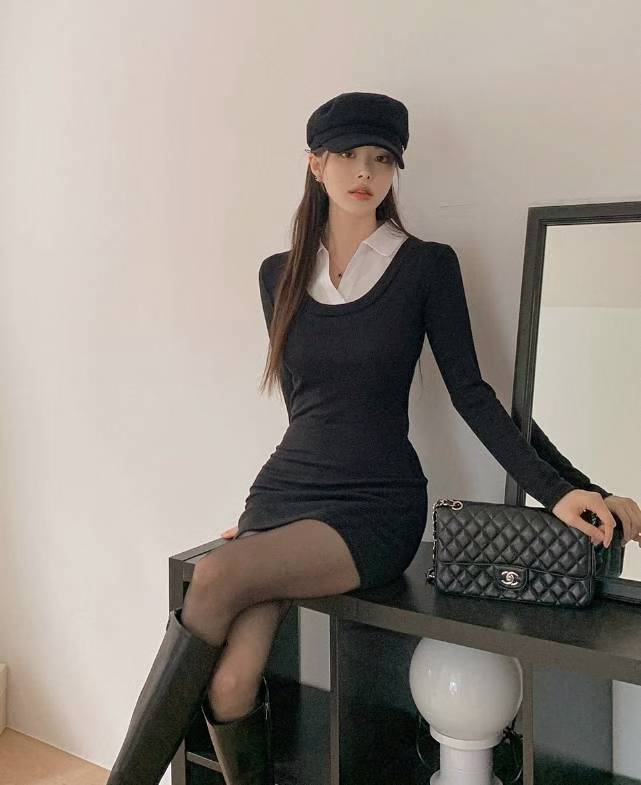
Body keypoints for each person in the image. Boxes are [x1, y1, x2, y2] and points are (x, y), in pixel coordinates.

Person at [107, 91, 626, 785]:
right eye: (348, 155)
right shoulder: (278, 274)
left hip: (375, 507)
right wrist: (262, 529)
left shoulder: (426, 266)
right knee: (229, 684)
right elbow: (305, 408)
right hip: (284, 493)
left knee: (218, 575)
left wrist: (559, 492)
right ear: (314, 164)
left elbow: (472, 394)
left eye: (381, 159)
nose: (364, 172)